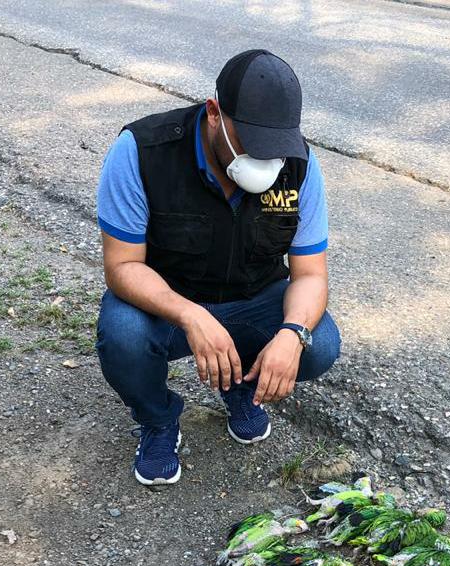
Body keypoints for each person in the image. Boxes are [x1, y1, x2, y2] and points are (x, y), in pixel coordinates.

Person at [95, 49, 339, 486]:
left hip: (253, 300)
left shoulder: (299, 165)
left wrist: (291, 334)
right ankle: (158, 419)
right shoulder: (143, 151)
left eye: (275, 147)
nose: (266, 161)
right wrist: (190, 315)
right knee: (123, 335)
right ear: (213, 113)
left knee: (318, 342)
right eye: (251, 143)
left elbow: (310, 274)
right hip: (168, 306)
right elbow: (122, 266)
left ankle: (240, 384)